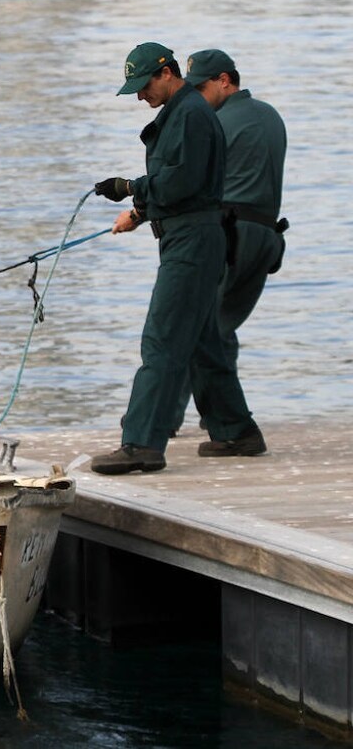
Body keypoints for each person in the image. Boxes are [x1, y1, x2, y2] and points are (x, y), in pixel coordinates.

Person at [89, 42, 264, 475]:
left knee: (162, 340)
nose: (138, 95)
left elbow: (181, 182)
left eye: (143, 84)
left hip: (192, 244)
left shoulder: (189, 113)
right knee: (203, 342)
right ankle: (236, 431)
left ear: (167, 72)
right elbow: (188, 183)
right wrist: (140, 214)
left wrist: (131, 188)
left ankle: (141, 444)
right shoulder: (185, 112)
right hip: (193, 238)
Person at [169, 49, 288, 436]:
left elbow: (188, 181)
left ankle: (164, 420)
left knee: (191, 325)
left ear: (225, 80)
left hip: (228, 235)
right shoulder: (270, 115)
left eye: (201, 87)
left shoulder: (215, 122)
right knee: (220, 327)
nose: (197, 96)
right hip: (266, 237)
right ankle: (219, 415)